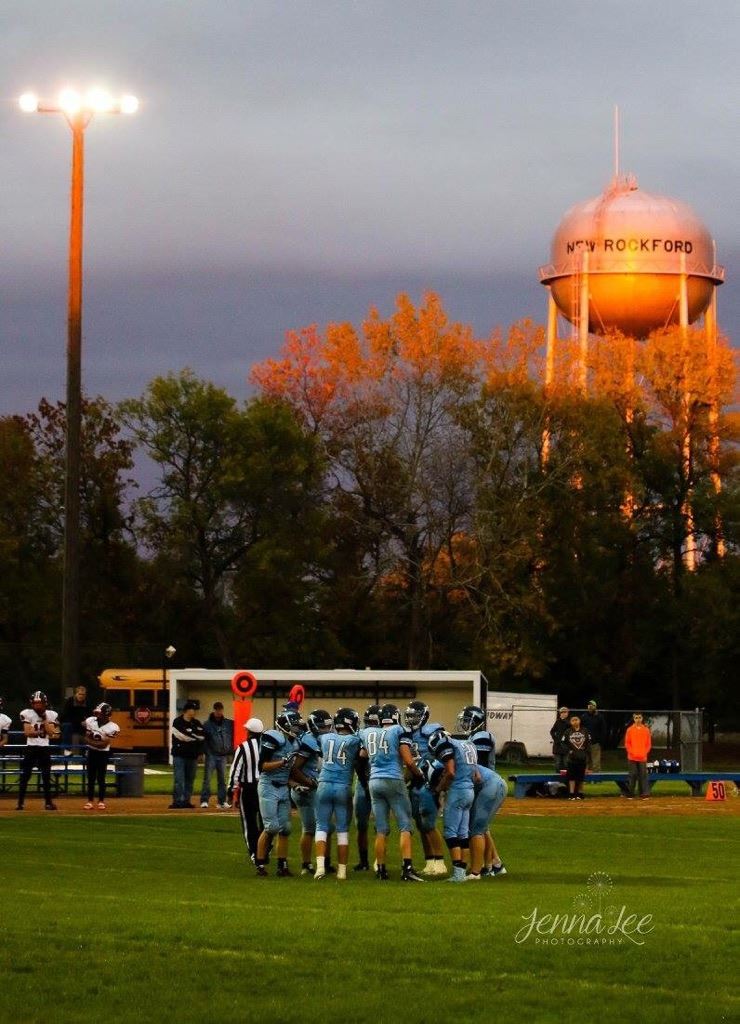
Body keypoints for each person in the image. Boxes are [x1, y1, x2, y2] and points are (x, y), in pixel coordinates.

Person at [359, 703, 425, 882]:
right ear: (396, 717)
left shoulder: (367, 732)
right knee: (405, 825)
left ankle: (380, 869)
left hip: (374, 781)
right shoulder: (399, 730)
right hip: (393, 779)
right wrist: (419, 774)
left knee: (381, 829)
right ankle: (407, 868)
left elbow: (363, 755)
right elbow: (408, 760)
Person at [315, 707, 363, 880]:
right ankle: (342, 872)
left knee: (321, 827)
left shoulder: (325, 737)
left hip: (324, 784)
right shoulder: (355, 740)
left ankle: (320, 868)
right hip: (343, 786)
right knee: (342, 830)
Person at [458, 705, 505, 878]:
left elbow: (479, 765)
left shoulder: (482, 736)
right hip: (483, 784)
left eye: (467, 720)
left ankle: (489, 865)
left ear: (477, 721)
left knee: (478, 828)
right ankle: (495, 863)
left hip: (485, 784)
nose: (463, 723)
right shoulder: (474, 736)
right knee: (482, 828)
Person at [255, 709, 302, 877]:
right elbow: (262, 766)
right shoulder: (273, 737)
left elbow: (288, 772)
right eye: (293, 725)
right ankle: (260, 863)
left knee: (286, 828)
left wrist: (295, 784)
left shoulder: (295, 743)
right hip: (268, 785)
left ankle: (282, 865)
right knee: (271, 827)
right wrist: (282, 762)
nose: (296, 729)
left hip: (283, 786)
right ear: (284, 726)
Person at [403, 699, 447, 876]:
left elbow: (444, 755)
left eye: (415, 716)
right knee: (420, 824)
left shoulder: (434, 732)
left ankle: (440, 862)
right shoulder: (406, 734)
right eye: (409, 716)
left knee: (428, 823)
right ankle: (430, 862)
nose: (411, 719)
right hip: (414, 781)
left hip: (428, 781)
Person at [427, 729, 477, 882]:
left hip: (458, 791)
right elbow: (477, 776)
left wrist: (438, 789)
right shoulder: (468, 744)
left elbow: (450, 772)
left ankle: (457, 873)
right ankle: (461, 872)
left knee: (450, 832)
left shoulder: (446, 744)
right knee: (463, 834)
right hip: (469, 791)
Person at [291, 709, 330, 874]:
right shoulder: (309, 741)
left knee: (316, 828)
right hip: (307, 788)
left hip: (308, 787)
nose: (326, 729)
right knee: (315, 828)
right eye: (322, 726)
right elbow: (294, 768)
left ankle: (315, 863)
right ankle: (314, 865)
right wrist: (310, 782)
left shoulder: (313, 739)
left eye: (328, 726)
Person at [16, 691, 61, 811]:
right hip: (31, 747)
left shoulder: (51, 714)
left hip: (44, 748)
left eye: (40, 703)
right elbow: (27, 732)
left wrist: (45, 718)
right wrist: (40, 732)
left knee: (46, 776)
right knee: (25, 776)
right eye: (35, 703)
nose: (37, 706)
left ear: (45, 703)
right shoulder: (27, 713)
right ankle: (20, 803)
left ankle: (48, 803)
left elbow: (52, 733)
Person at [228, 717, 263, 863]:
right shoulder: (267, 746)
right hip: (264, 787)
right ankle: (265, 848)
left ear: (249, 731)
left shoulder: (243, 747)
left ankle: (254, 852)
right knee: (264, 821)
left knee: (249, 822)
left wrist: (231, 788)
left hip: (248, 789)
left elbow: (235, 769)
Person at [352, 704, 379, 871]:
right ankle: (364, 861)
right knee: (361, 825)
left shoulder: (387, 735)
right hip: (364, 784)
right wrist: (364, 783)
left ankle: (379, 860)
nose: (370, 726)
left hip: (377, 781)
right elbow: (358, 762)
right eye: (368, 722)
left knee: (380, 826)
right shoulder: (361, 736)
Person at [82, 703, 120, 809]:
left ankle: (101, 801)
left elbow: (104, 744)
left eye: (100, 713)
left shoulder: (113, 727)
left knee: (101, 778)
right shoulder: (91, 721)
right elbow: (86, 738)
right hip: (91, 752)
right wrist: (94, 744)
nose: (97, 715)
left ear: (106, 715)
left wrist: (91, 743)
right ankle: (90, 801)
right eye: (97, 713)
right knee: (91, 777)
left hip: (103, 754)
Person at [169, 700, 205, 808]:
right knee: (179, 780)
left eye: (194, 710)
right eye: (192, 709)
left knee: (190, 780)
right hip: (179, 755)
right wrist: (194, 737)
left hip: (192, 756)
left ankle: (186, 801)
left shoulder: (197, 723)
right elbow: (181, 736)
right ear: (186, 710)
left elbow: (202, 737)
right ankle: (177, 801)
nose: (193, 712)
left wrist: (194, 739)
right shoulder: (177, 722)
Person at [200, 701, 234, 809]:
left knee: (222, 780)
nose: (218, 712)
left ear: (222, 710)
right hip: (211, 755)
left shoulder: (228, 723)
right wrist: (206, 752)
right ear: (214, 710)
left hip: (223, 755)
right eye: (217, 710)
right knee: (207, 779)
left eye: (220, 709)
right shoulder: (207, 724)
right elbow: (203, 740)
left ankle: (222, 801)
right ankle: (204, 800)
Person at [625, 712, 652, 799]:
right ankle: (630, 793)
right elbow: (627, 743)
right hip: (632, 757)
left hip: (642, 757)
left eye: (639, 717)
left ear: (642, 718)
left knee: (643, 775)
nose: (638, 719)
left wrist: (645, 752)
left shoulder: (646, 730)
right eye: (636, 718)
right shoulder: (629, 730)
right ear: (633, 719)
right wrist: (632, 752)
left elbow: (648, 744)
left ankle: (644, 793)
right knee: (632, 775)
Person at [564, 714, 591, 800]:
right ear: (571, 722)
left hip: (582, 757)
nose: (575, 722)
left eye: (577, 720)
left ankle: (580, 793)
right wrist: (569, 750)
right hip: (571, 759)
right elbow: (563, 743)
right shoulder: (568, 731)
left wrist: (586, 752)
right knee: (571, 777)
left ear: (579, 721)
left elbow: (588, 743)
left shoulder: (585, 730)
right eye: (573, 720)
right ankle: (571, 794)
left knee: (581, 777)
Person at [60, 685, 91, 753]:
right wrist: (80, 722)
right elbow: (66, 716)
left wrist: (87, 721)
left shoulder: (88, 702)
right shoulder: (70, 701)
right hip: (70, 723)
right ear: (76, 694)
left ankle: (88, 752)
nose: (81, 696)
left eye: (83, 694)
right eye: (80, 694)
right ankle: (67, 750)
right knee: (68, 727)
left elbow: (90, 715)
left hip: (82, 725)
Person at [582, 700, 606, 771]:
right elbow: (580, 729)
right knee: (585, 761)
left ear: (595, 707)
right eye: (589, 705)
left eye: (592, 705)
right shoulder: (583, 716)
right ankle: (585, 778)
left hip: (595, 743)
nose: (590, 707)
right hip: (584, 743)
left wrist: (600, 741)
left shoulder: (600, 717)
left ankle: (596, 779)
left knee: (596, 762)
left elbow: (603, 730)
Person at [550, 707, 570, 771]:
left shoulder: (569, 722)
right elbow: (552, 731)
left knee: (566, 763)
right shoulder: (558, 721)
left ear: (567, 713)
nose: (563, 714)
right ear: (560, 713)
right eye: (562, 712)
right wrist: (556, 739)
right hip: (557, 746)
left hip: (566, 746)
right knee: (557, 764)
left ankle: (566, 779)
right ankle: (557, 778)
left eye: (565, 712)